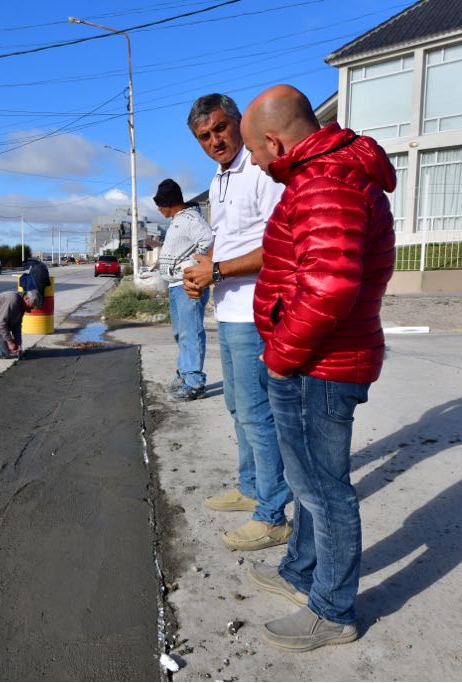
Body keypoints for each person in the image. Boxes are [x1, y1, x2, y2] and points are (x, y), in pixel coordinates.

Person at [242, 84, 396, 651]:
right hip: (317, 358)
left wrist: (280, 357)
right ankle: (300, 572)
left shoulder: (325, 181)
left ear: (275, 141)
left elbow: (330, 288)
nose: (256, 162)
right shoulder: (327, 174)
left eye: (255, 152)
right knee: (309, 483)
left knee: (325, 490)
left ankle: (333, 611)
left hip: (318, 363)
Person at [182, 93, 292, 552]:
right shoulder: (219, 179)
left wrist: (219, 271)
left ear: (238, 122)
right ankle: (250, 488)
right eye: (204, 137)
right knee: (236, 408)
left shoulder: (260, 170)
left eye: (220, 129)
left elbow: (279, 244)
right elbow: (231, 239)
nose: (215, 141)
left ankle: (272, 514)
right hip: (227, 312)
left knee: (257, 414)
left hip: (255, 311)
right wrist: (205, 265)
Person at [154, 178, 214, 401]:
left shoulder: (191, 219)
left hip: (188, 285)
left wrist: (193, 265)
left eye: (159, 205)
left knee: (191, 333)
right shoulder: (178, 220)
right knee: (182, 334)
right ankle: (185, 373)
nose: (158, 209)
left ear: (169, 203)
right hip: (176, 286)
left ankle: (195, 382)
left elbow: (208, 240)